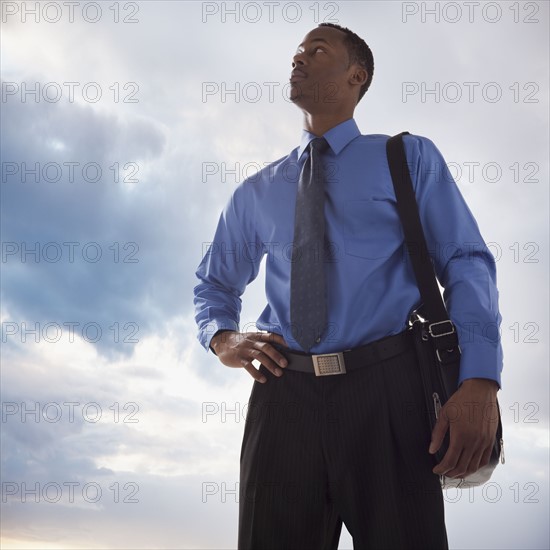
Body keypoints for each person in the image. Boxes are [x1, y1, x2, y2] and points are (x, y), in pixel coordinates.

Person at [194, 23, 502, 549]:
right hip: (282, 396)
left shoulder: (407, 159)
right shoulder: (256, 191)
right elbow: (213, 284)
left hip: (389, 391)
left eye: (316, 51)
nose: (298, 59)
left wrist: (479, 381)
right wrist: (224, 338)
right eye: (295, 52)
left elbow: (466, 261)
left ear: (356, 76)